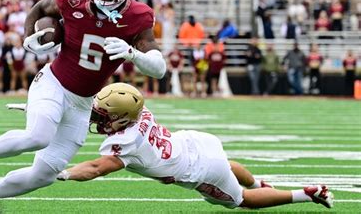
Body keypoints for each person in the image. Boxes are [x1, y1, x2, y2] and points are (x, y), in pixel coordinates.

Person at [0, 0, 167, 213]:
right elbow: (40, 7)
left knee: (44, 175)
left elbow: (159, 69)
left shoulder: (137, 17)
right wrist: (29, 35)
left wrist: (133, 54)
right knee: (38, 136)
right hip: (53, 83)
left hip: (83, 102)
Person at [55, 82, 334, 210]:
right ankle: (261, 184)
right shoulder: (140, 110)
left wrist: (62, 173)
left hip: (199, 169)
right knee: (228, 165)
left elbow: (94, 168)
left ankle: (306, 194)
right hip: (197, 142)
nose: (97, 118)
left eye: (103, 116)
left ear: (120, 117)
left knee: (242, 201)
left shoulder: (124, 143)